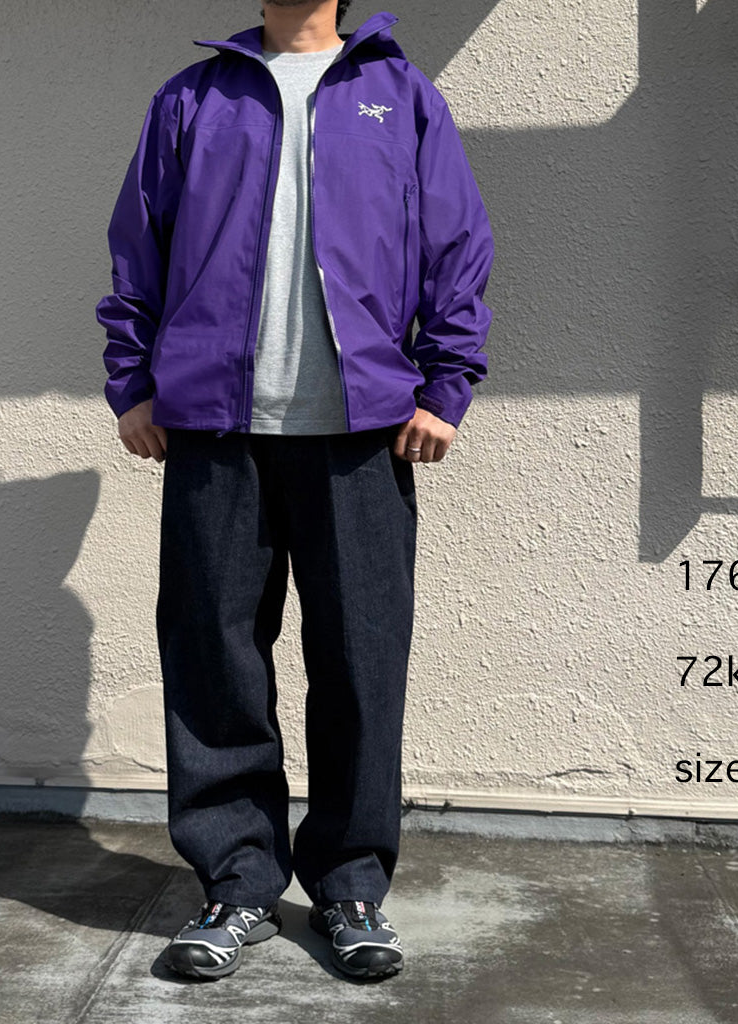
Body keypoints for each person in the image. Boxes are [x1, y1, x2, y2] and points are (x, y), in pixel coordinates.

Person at [95, 0, 493, 982]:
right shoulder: (193, 99)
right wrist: (133, 383)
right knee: (214, 660)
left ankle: (350, 886)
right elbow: (139, 245)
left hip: (359, 434)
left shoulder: (400, 95)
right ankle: (237, 883)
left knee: (361, 663)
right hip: (214, 431)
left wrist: (445, 385)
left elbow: (456, 243)